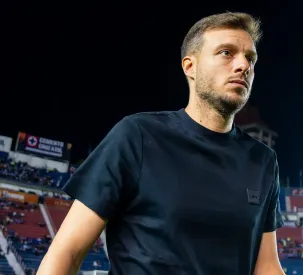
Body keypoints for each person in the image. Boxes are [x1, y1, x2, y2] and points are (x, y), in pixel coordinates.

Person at [37, 11, 285, 275]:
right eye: (226, 52)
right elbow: (67, 251)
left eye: (250, 58)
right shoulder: (138, 136)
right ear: (190, 66)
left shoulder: (263, 160)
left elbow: (267, 266)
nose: (243, 65)